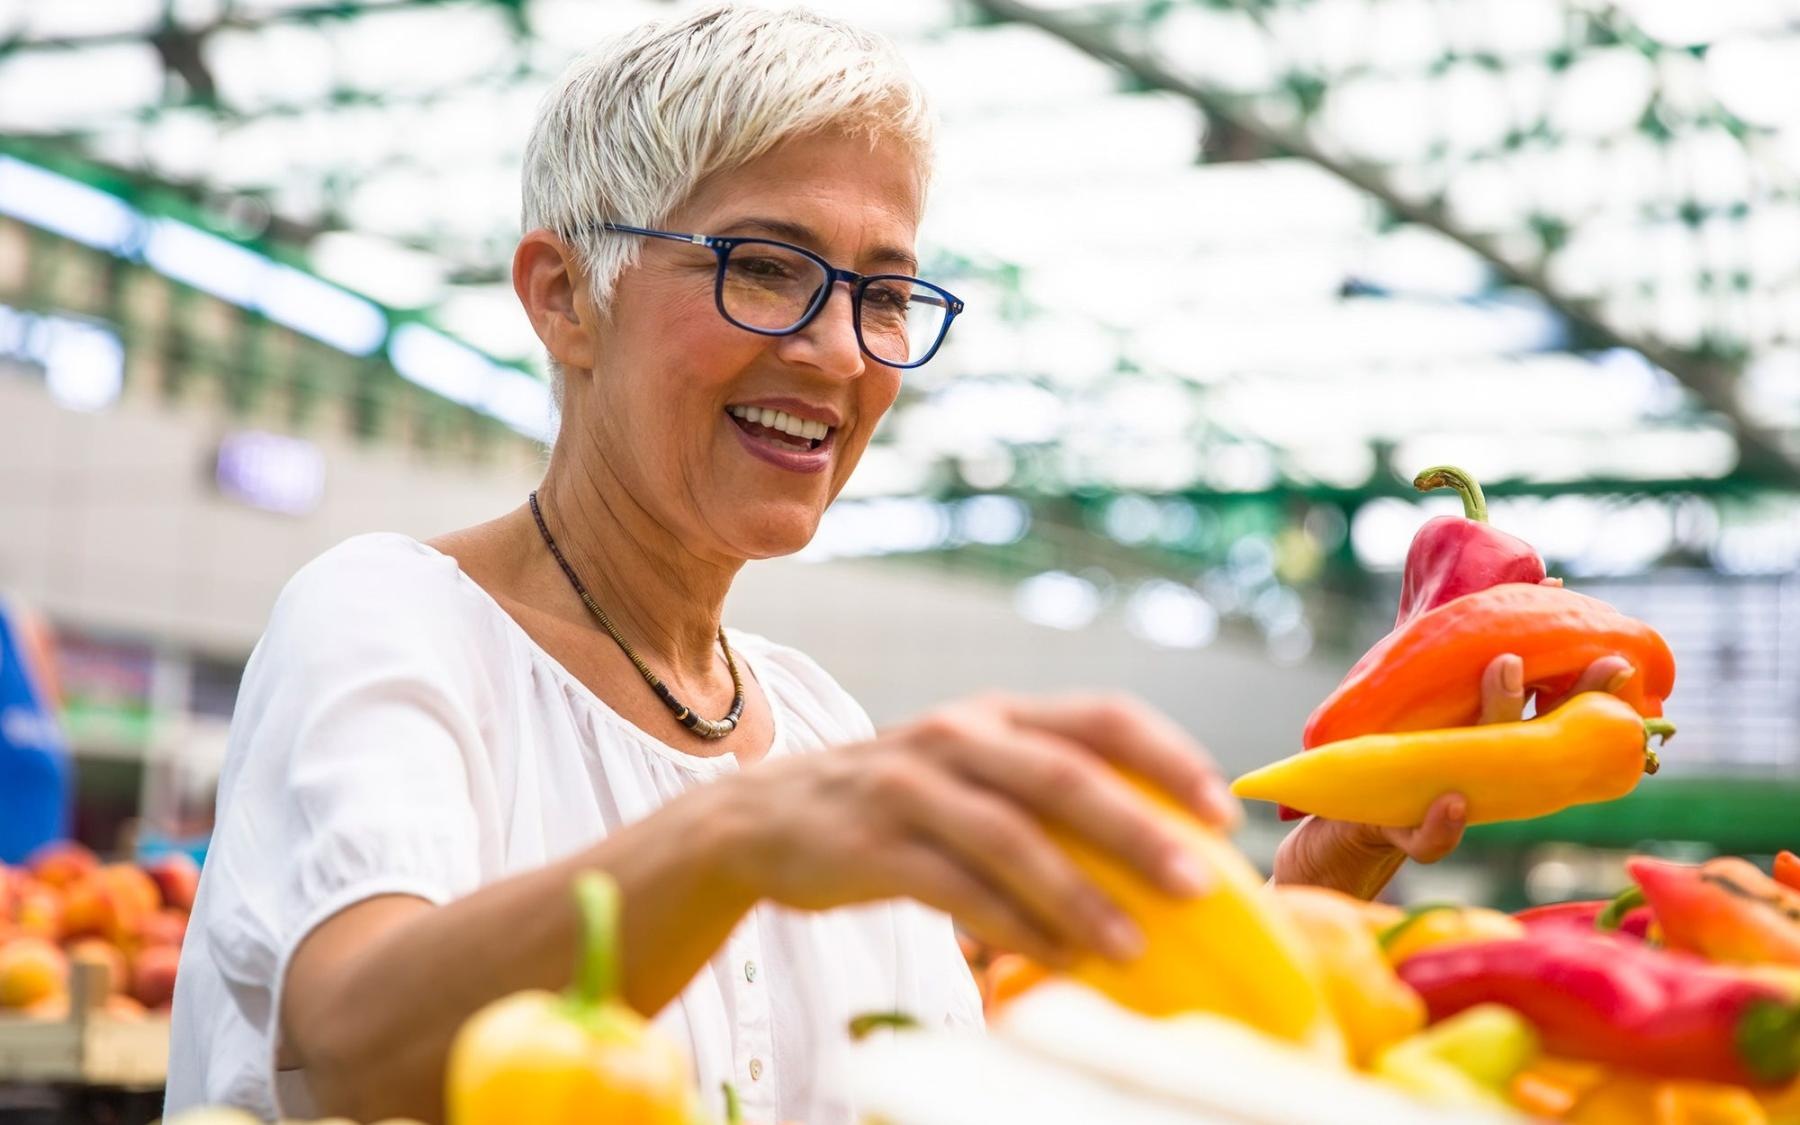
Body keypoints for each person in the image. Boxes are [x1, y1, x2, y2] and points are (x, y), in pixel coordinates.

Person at [164, 6, 1634, 1122]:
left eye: (882, 291)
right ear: (565, 296)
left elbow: (985, 1079)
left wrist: (1331, 862)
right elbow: (354, 1030)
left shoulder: (815, 726)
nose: (837, 350)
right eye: (764, 264)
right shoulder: (391, 619)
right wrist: (735, 837)